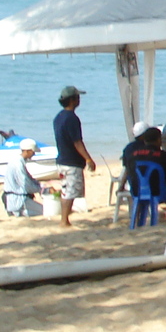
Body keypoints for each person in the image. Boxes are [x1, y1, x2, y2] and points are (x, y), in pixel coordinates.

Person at [52, 85, 96, 227]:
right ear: (72, 100)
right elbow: (77, 142)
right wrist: (88, 158)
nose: (79, 100)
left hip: (62, 159)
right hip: (71, 161)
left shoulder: (58, 117)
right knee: (69, 192)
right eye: (77, 97)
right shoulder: (72, 118)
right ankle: (64, 221)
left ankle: (65, 219)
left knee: (67, 190)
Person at [122, 126, 166, 216]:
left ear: (144, 141)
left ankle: (137, 217)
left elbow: (129, 172)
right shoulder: (164, 156)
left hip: (137, 192)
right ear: (159, 139)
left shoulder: (133, 155)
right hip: (159, 193)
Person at [1, 138, 44, 217]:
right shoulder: (18, 164)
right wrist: (41, 189)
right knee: (46, 211)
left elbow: (29, 179)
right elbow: (26, 185)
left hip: (16, 199)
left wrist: (39, 185)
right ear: (28, 151)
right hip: (17, 201)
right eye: (33, 152)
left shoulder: (18, 161)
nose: (34, 154)